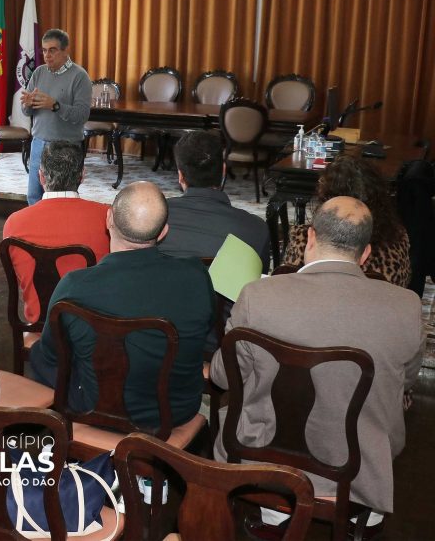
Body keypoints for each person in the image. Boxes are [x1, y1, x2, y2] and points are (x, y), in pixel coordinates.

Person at [211, 197, 423, 536]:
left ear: (310, 238)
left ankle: (274, 515)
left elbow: (222, 376)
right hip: (358, 471)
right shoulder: (407, 308)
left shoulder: (258, 296)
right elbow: (406, 381)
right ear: (365, 252)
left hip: (263, 457)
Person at [29, 181, 213, 429]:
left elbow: (52, 355)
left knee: (41, 354)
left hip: (94, 409)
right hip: (177, 411)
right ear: (163, 232)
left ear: (108, 220)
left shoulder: (74, 285)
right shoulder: (196, 275)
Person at [2, 141, 110, 323]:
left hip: (39, 328)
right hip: (91, 329)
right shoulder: (107, 217)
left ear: (41, 177)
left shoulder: (14, 222)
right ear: (82, 175)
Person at [280, 155, 411, 287]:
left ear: (329, 196)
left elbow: (288, 284)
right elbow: (402, 282)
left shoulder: (306, 238)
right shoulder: (398, 237)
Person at [159, 130, 270, 269]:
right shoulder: (257, 229)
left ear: (180, 176)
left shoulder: (153, 220)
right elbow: (258, 282)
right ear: (223, 170)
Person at [19, 29, 92, 205]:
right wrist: (27, 105)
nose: (47, 55)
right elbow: (27, 112)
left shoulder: (80, 77)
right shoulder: (38, 73)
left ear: (66, 51)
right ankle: (35, 232)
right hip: (39, 143)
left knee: (62, 199)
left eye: (52, 50)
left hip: (65, 146)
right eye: (44, 50)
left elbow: (81, 116)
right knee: (34, 196)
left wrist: (55, 105)